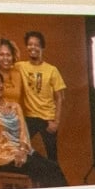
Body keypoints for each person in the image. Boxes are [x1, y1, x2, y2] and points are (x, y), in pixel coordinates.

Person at [0, 69, 67, 187]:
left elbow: (23, 132)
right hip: (4, 157)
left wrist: (22, 150)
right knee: (42, 169)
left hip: (24, 152)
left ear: (3, 84)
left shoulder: (15, 106)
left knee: (53, 167)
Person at [16, 29, 66, 163]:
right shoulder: (20, 66)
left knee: (52, 156)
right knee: (19, 148)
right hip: (29, 117)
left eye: (36, 45)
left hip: (48, 118)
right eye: (30, 44)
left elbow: (60, 98)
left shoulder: (52, 70)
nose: (33, 47)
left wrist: (56, 122)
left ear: (42, 47)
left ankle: (54, 176)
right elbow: (3, 66)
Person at [0, 35, 25, 109]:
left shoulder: (18, 73)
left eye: (8, 55)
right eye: (1, 54)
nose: (5, 58)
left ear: (13, 56)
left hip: (15, 113)